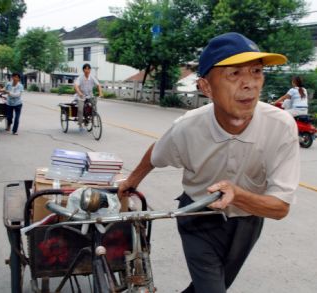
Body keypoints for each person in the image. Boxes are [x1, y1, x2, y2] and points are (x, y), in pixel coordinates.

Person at [118, 32, 299, 293]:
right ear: (206, 87)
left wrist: (237, 195)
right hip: (197, 214)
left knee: (216, 284)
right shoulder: (187, 127)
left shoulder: (280, 127)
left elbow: (280, 207)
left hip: (247, 221)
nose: (249, 83)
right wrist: (131, 181)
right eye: (234, 74)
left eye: (256, 71)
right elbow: (156, 153)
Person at [74, 63, 103, 131]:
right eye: (85, 69)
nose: (87, 70)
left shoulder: (92, 77)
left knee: (94, 107)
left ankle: (92, 117)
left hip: (90, 96)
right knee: (80, 110)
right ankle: (80, 125)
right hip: (81, 96)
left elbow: (98, 85)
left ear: (90, 70)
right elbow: (76, 86)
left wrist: (100, 93)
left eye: (88, 69)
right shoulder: (80, 78)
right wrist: (79, 93)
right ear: (83, 70)